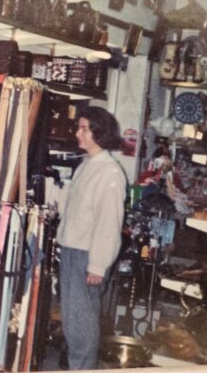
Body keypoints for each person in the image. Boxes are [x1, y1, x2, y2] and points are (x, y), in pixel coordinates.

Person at [57, 106, 126, 370]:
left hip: (87, 257)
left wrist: (98, 265)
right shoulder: (86, 166)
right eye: (79, 128)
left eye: (84, 129)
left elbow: (109, 222)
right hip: (72, 251)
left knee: (82, 326)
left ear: (99, 133)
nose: (78, 133)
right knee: (72, 322)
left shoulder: (109, 172)